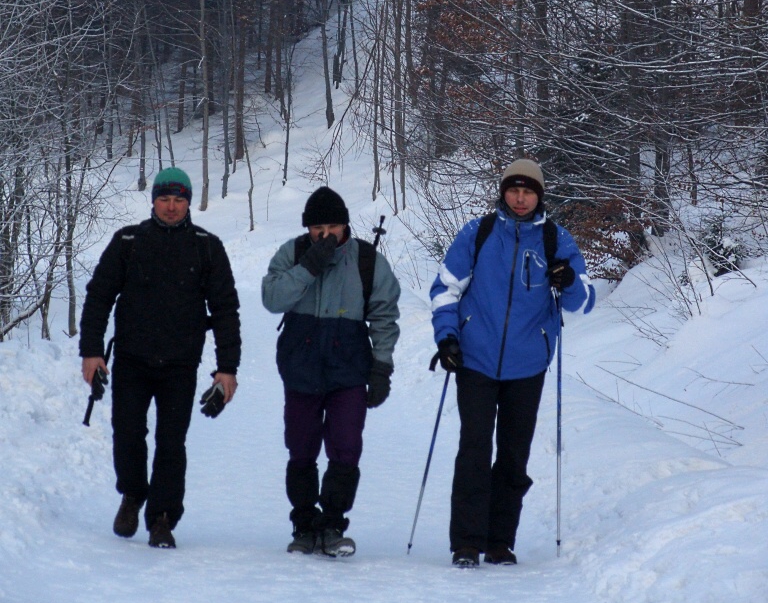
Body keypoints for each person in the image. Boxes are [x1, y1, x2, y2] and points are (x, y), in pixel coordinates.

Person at [430, 158, 594, 568]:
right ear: (503, 192)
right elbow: (446, 289)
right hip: (475, 358)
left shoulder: (556, 240)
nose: (520, 198)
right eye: (513, 190)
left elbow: (586, 301)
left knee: (513, 455)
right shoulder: (478, 233)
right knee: (474, 449)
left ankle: (500, 541)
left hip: (528, 364)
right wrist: (447, 336)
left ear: (539, 196)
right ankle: (466, 543)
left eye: (528, 191)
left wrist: (569, 282)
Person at [79, 167, 241, 549]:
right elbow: (99, 297)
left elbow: (224, 310)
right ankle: (133, 494)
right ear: (153, 200)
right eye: (165, 199)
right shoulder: (128, 242)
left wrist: (226, 369)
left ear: (189, 203)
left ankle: (162, 518)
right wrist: (92, 352)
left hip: (180, 364)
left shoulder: (207, 247)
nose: (171, 207)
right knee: (128, 433)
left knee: (172, 442)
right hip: (132, 360)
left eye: (179, 199)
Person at [262, 186, 400, 558]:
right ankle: (304, 523)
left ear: (345, 226)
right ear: (307, 228)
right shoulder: (292, 254)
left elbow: (385, 316)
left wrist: (381, 368)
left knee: (346, 447)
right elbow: (272, 298)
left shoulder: (367, 261)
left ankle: (334, 523)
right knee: (301, 447)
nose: (326, 234)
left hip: (349, 370)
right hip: (301, 368)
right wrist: (309, 266)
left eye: (333, 226)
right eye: (318, 227)